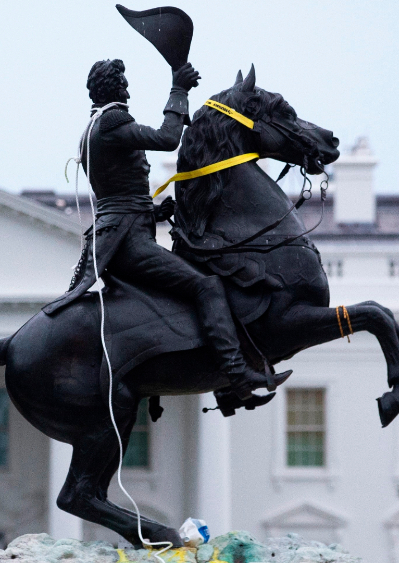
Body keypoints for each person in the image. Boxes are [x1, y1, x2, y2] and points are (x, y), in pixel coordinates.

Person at [43, 59, 283, 403]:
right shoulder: (111, 121)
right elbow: (167, 138)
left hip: (122, 233)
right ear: (113, 89)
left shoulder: (93, 128)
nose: (127, 90)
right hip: (128, 245)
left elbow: (117, 195)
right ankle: (236, 377)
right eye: (123, 84)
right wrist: (179, 89)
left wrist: (154, 212)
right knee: (207, 285)